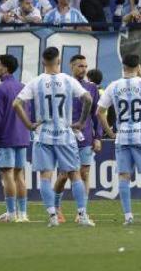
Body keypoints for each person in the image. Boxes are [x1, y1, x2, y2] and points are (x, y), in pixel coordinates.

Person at [13, 46, 95, 227]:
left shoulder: (36, 82)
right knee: (75, 175)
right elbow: (88, 98)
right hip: (65, 135)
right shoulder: (68, 80)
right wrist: (81, 122)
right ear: (58, 61)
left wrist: (29, 125)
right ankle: (82, 215)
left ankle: (52, 217)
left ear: (43, 63)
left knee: (45, 177)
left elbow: (17, 103)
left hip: (44, 136)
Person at [96, 54, 141, 226]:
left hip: (122, 137)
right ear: (138, 67)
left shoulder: (113, 86)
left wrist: (110, 132)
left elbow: (99, 111)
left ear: (123, 66)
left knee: (123, 176)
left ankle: (128, 217)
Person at [0, 54, 30, 223]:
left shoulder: (0, 90)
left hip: (5, 138)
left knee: (7, 175)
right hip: (22, 137)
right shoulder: (23, 87)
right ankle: (23, 214)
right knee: (20, 176)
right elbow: (28, 113)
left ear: (5, 68)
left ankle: (11, 214)